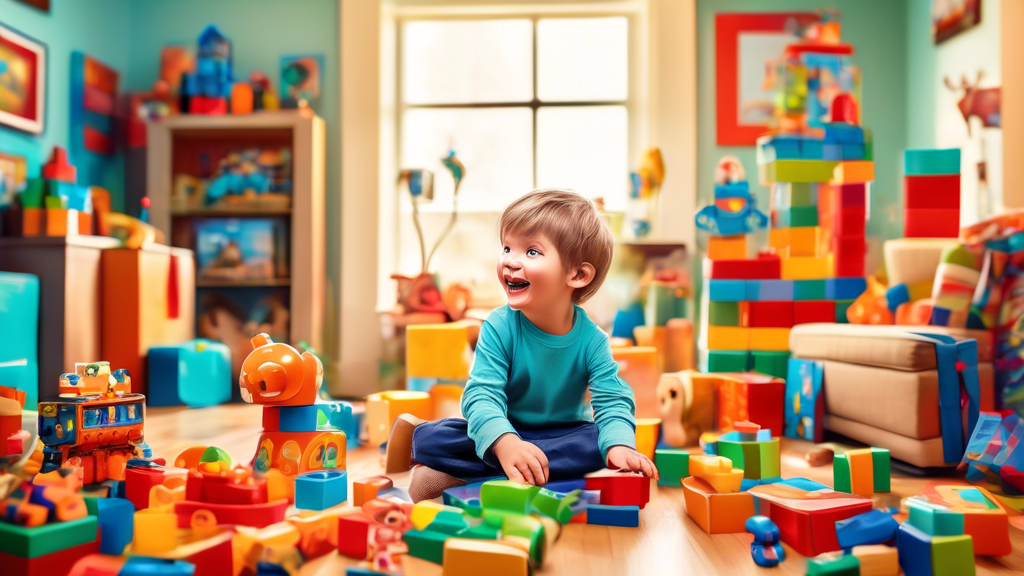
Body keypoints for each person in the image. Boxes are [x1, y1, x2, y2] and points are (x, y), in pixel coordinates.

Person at [387, 188, 658, 501]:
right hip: (503, 429)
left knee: (595, 444)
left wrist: (620, 447)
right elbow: (482, 395)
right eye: (506, 248)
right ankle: (441, 451)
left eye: (531, 252)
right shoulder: (499, 327)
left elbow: (612, 399)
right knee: (437, 437)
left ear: (578, 274)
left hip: (560, 437)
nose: (510, 262)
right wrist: (506, 443)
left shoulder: (593, 341)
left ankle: (502, 472)